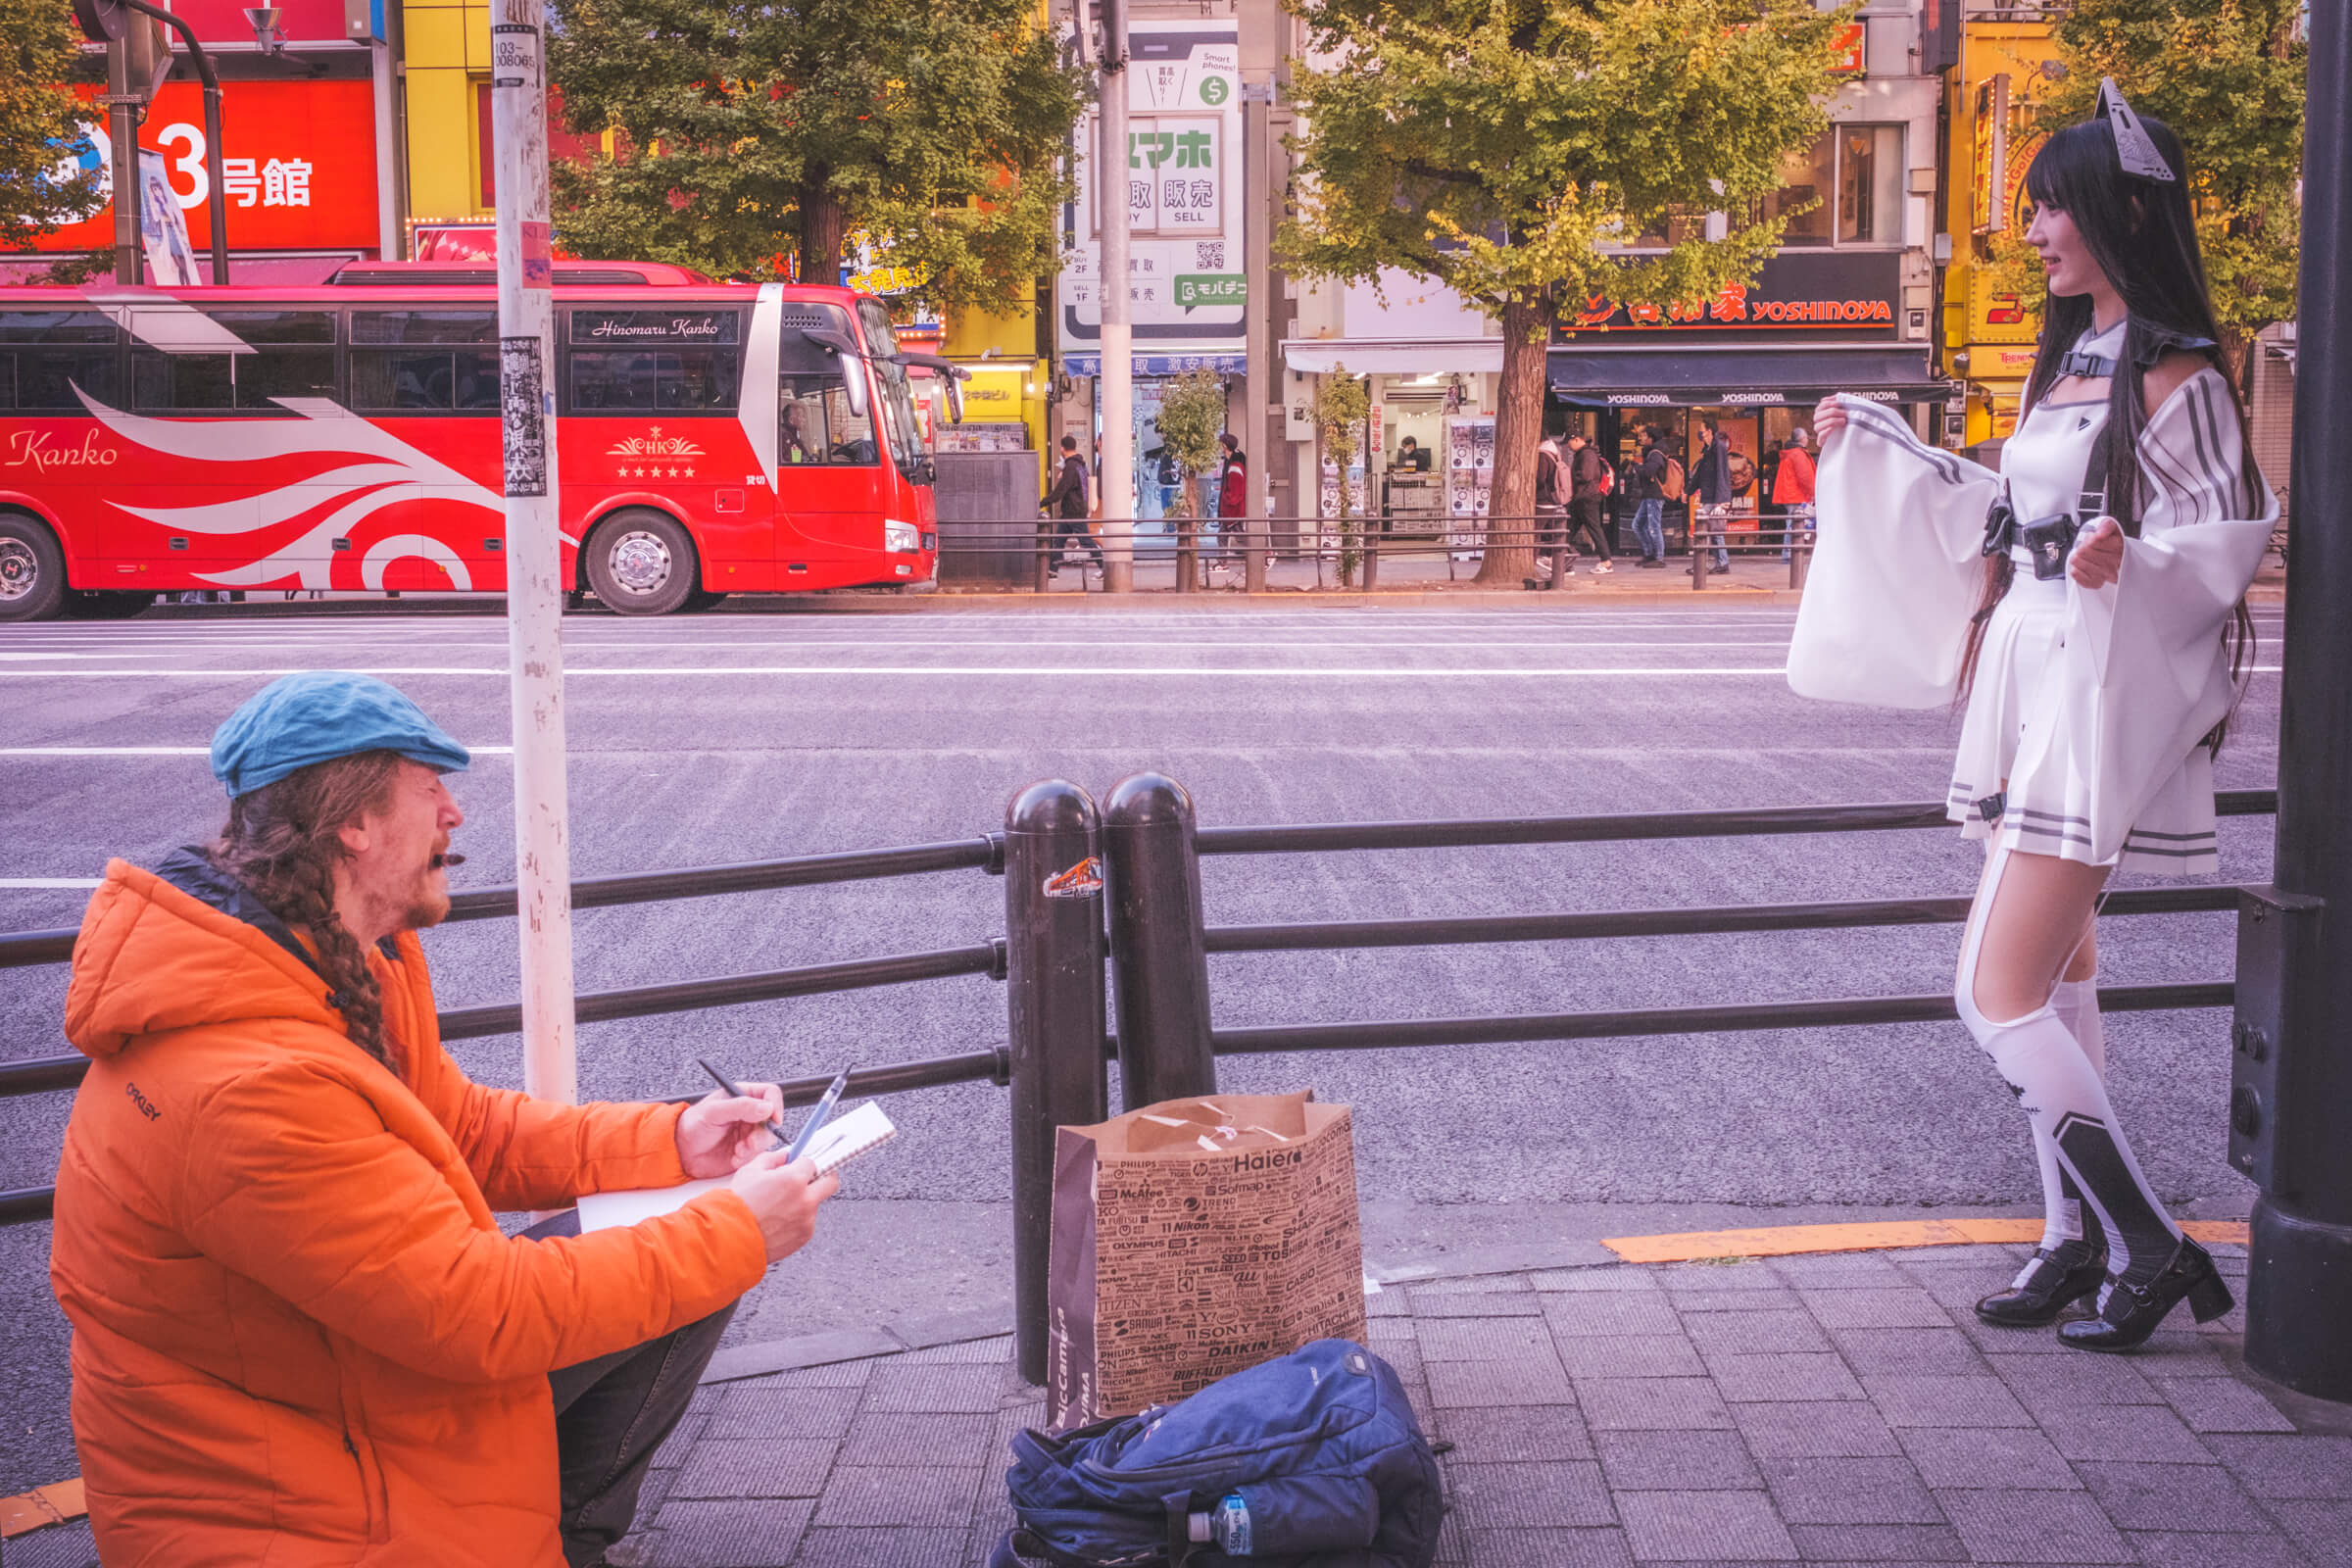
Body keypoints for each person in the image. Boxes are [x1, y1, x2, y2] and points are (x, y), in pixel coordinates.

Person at [49, 672, 840, 1565]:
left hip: (343, 1392)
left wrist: (668, 1141)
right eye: (432, 789)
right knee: (701, 1250)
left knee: (685, 1245)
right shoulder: (245, 1086)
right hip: (295, 1504)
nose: (454, 815)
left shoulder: (337, 958)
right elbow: (479, 1314)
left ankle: (564, 1536)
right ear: (354, 823)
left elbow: (462, 1131)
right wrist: (734, 1231)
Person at [1803, 91, 2272, 1349]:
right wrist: (1883, 441)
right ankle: (2070, 1242)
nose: (2038, 228)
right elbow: (2019, 516)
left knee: (1991, 988)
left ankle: (2152, 1244)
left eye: (2055, 203)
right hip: (2038, 663)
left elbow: (2226, 540)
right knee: (2059, 979)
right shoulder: (2074, 357)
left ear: (2125, 208)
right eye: (2035, 208)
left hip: (2097, 685)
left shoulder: (2180, 374)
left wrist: (2140, 559)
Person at [1041, 433, 1104, 580]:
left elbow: (1060, 491)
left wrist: (1043, 502)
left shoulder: (1071, 466)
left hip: (1073, 511)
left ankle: (1104, 566)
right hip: (1075, 509)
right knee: (1059, 541)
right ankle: (1053, 571)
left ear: (1062, 448)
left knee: (1086, 541)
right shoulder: (1081, 465)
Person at [1526, 425, 1574, 589]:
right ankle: (1566, 561)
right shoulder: (1554, 451)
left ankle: (1534, 563)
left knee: (1536, 532)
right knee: (1553, 531)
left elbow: (1540, 479)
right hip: (1552, 498)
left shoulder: (1543, 455)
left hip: (1543, 498)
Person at [1567, 432, 1614, 574]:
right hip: (1584, 497)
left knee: (1593, 528)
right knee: (1569, 528)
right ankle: (1559, 560)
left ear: (1576, 439)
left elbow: (1586, 475)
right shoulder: (1586, 453)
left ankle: (1606, 562)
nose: (1568, 446)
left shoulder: (1586, 454)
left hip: (1587, 497)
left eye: (1569, 441)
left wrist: (1570, 475)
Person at [1690, 423, 1734, 574]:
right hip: (1709, 496)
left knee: (1713, 531)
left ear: (1709, 431)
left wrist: (1721, 501)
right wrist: (1687, 491)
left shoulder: (1718, 448)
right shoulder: (1708, 450)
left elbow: (1722, 473)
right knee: (1708, 532)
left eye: (1701, 429)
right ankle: (1718, 563)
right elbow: (1700, 474)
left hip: (1715, 497)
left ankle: (1720, 563)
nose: (1699, 432)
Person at [1774, 426, 1817, 563]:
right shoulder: (1798, 454)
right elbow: (1805, 477)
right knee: (1793, 524)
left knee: (1791, 523)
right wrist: (1813, 493)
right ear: (1802, 439)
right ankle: (1787, 554)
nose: (1807, 441)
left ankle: (1787, 553)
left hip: (1790, 494)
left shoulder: (1790, 453)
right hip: (1795, 494)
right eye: (1806, 438)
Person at [1630, 427, 1669, 567]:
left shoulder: (1655, 454)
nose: (1641, 438)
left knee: (1654, 526)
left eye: (1644, 436)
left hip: (1655, 494)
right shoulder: (1650, 453)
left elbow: (1648, 472)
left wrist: (1637, 466)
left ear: (1651, 438)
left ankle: (1659, 558)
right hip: (1648, 494)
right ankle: (1649, 554)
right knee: (1637, 525)